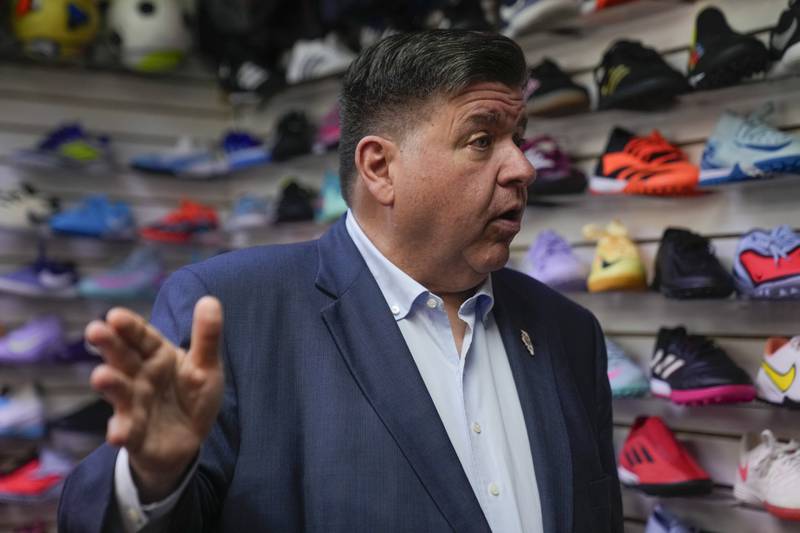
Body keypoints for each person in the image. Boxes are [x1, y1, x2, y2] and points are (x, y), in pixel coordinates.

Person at [58, 30, 623, 533]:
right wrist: (153, 479)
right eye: (482, 140)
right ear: (379, 168)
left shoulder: (569, 332)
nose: (523, 167)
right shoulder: (233, 311)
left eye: (518, 138)